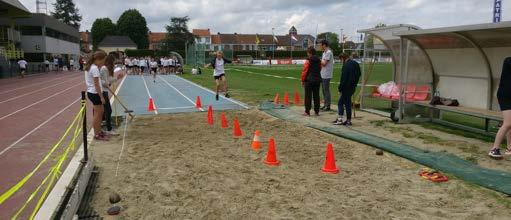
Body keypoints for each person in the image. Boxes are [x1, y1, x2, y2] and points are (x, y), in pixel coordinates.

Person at [489, 57, 511, 158]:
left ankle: (509, 148)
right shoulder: (508, 60)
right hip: (505, 95)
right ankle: (494, 149)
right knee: (508, 123)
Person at [85, 50, 109, 141]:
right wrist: (101, 96)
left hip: (93, 92)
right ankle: (97, 134)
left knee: (100, 112)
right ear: (98, 59)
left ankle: (99, 131)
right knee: (98, 114)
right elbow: (96, 84)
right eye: (103, 61)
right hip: (95, 93)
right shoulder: (94, 68)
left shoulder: (91, 66)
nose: (103, 63)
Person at [333, 53, 361, 126]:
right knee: (347, 103)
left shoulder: (345, 66)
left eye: (341, 60)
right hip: (352, 87)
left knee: (341, 103)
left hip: (346, 88)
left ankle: (340, 119)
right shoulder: (356, 64)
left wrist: (340, 88)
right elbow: (359, 74)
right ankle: (348, 120)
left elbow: (343, 79)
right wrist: (354, 83)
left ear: (343, 58)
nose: (341, 61)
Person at [100, 54, 119, 136]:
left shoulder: (107, 69)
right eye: (114, 61)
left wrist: (117, 78)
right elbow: (103, 82)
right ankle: (108, 129)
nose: (114, 63)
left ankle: (104, 125)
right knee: (108, 110)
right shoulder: (104, 68)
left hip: (105, 91)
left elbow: (109, 80)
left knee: (105, 110)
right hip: (102, 91)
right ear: (110, 61)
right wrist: (107, 83)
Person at [300, 46, 322, 116]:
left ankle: (307, 111)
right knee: (316, 96)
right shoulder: (319, 60)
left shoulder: (308, 60)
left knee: (308, 96)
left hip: (309, 80)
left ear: (309, 53)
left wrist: (303, 80)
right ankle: (317, 111)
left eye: (308, 53)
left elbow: (305, 71)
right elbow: (320, 68)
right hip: (317, 79)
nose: (307, 54)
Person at [320, 40, 334, 111]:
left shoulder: (328, 52)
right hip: (323, 74)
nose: (320, 46)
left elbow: (324, 63)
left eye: (321, 45)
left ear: (324, 45)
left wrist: (318, 60)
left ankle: (328, 106)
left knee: (326, 90)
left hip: (327, 74)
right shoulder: (324, 53)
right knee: (323, 90)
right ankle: (325, 104)